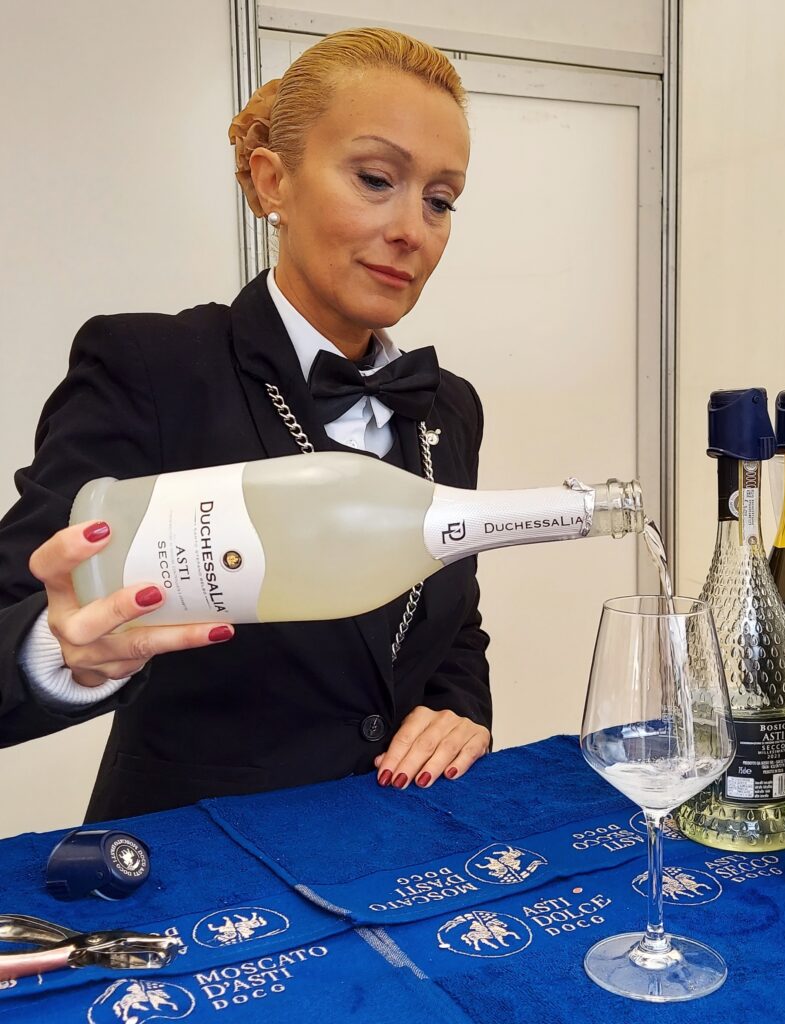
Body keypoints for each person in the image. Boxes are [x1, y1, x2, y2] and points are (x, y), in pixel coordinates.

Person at [0, 28, 492, 821]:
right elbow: (17, 605)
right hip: (197, 868)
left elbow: (451, 617)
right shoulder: (151, 368)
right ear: (273, 183)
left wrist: (458, 709)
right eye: (375, 179)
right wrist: (60, 652)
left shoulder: (447, 405)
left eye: (440, 201)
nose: (413, 229)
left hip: (398, 840)